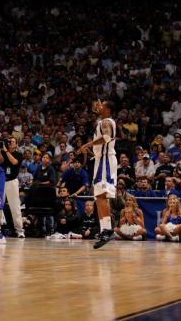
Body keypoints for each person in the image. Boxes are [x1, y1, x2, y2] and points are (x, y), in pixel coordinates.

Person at [77, 99, 117, 249]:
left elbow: (106, 138)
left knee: (101, 196)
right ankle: (105, 229)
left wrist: (88, 144)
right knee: (99, 197)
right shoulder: (104, 121)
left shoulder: (107, 122)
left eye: (102, 105)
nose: (98, 106)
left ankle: (107, 230)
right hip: (102, 160)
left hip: (105, 161)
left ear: (108, 109)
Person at [0, 137, 24, 238]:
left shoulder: (18, 154)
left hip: (12, 182)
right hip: (1, 181)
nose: (10, 143)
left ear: (16, 145)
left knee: (15, 207)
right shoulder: (1, 153)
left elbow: (14, 162)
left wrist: (6, 151)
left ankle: (19, 230)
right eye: (9, 141)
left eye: (12, 141)